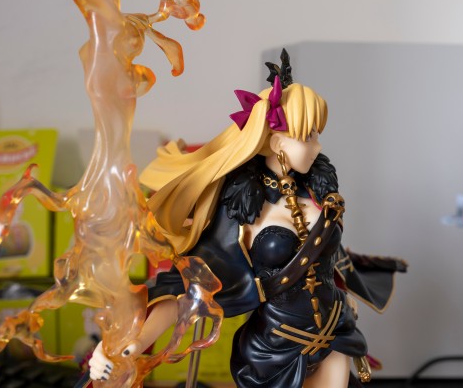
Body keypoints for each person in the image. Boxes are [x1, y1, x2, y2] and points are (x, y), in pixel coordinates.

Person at [87, 49, 405, 388]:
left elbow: (327, 258)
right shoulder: (243, 207)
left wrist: (347, 294)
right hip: (275, 349)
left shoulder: (319, 193)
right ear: (277, 141)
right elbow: (191, 288)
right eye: (308, 136)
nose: (317, 147)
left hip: (335, 334)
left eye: (317, 135)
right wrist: (131, 344)